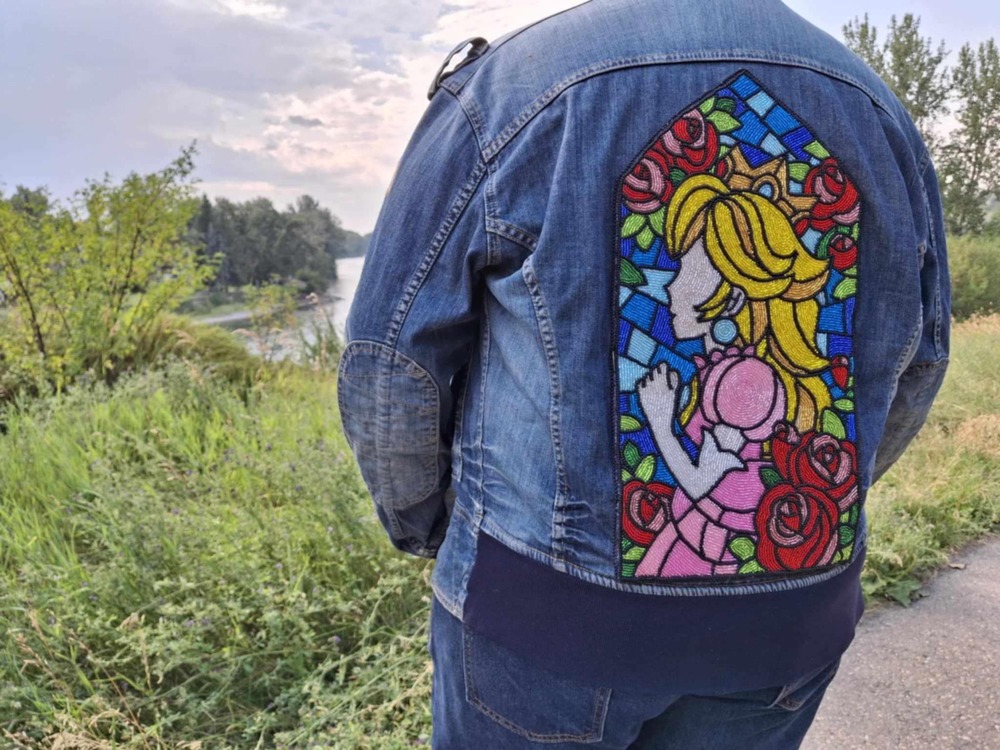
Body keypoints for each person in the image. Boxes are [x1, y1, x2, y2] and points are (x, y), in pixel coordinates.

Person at [337, 0, 950, 747]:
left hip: (541, 626)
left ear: (734, 287)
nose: (666, 281)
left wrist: (429, 527)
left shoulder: (513, 88)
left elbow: (390, 366)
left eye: (688, 268)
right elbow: (918, 363)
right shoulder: (876, 110)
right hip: (785, 635)